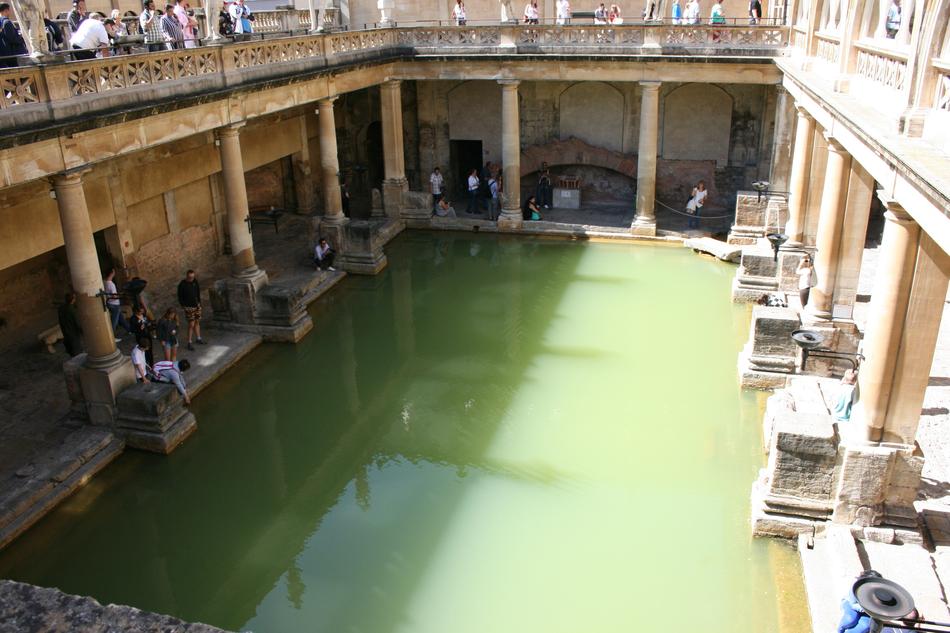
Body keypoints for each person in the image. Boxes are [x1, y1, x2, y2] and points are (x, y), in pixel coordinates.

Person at [177, 269, 204, 351]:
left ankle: (198, 338)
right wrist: (183, 306)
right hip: (189, 307)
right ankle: (189, 342)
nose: (191, 279)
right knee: (191, 324)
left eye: (192, 277)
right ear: (187, 276)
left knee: (197, 322)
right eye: (190, 277)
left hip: (197, 305)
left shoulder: (195, 282)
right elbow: (180, 296)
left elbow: (198, 292)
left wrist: (199, 302)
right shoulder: (182, 284)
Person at [102, 268, 129, 340]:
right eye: (114, 272)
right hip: (114, 304)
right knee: (114, 321)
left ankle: (129, 329)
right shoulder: (111, 284)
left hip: (109, 303)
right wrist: (120, 295)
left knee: (121, 318)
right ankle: (112, 337)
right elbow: (114, 296)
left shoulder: (104, 282)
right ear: (111, 273)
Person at [0, 3, 27, 67]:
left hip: (6, 54)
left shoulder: (1, 22)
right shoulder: (7, 22)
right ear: (6, 10)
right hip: (14, 54)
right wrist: (22, 38)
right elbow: (12, 38)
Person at [57, 292, 83, 357]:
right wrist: (82, 331)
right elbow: (76, 322)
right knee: (76, 348)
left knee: (70, 347)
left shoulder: (61, 308)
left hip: (65, 330)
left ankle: (73, 355)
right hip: (72, 331)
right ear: (73, 300)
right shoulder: (72, 310)